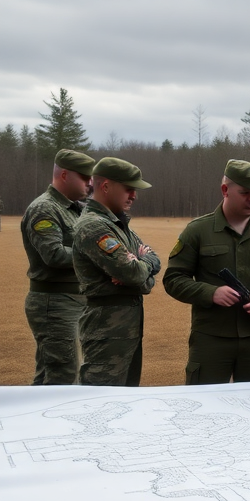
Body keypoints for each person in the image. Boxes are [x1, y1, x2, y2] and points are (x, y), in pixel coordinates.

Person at [163, 160, 250, 385]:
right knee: (205, 405)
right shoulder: (198, 230)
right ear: (225, 190)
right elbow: (174, 279)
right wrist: (210, 293)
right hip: (211, 337)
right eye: (245, 192)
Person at [72, 157, 162, 386]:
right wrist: (138, 270)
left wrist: (142, 266)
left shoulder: (118, 225)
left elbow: (151, 265)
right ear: (105, 186)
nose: (134, 196)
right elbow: (133, 273)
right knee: (101, 401)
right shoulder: (94, 226)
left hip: (126, 332)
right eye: (129, 189)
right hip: (106, 333)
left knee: (127, 400)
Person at [22, 149, 96, 385]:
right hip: (54, 302)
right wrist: (96, 256)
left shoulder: (78, 209)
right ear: (64, 175)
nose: (90, 183)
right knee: (62, 377)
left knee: (56, 373)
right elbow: (53, 254)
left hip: (74, 299)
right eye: (84, 177)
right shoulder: (44, 208)